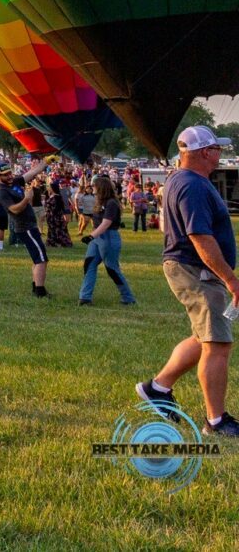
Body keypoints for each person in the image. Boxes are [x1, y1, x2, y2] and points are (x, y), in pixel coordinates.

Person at [137, 126, 239, 436]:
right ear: (205, 152)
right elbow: (199, 236)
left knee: (205, 337)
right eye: (216, 149)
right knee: (218, 343)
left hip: (189, 267)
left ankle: (157, 387)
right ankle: (216, 421)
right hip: (196, 269)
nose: (220, 154)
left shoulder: (181, 180)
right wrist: (231, 280)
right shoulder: (193, 185)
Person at [0, 163, 49, 297]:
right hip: (25, 227)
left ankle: (37, 288)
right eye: (5, 175)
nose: (9, 176)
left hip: (31, 226)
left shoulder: (15, 182)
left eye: (10, 173)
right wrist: (27, 199)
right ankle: (40, 292)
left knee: (38, 258)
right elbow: (14, 209)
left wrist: (46, 162)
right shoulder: (2, 191)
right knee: (41, 259)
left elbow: (32, 172)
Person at [79, 174, 134, 306]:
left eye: (94, 186)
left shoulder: (111, 203)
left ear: (102, 188)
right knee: (89, 265)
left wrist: (91, 236)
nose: (92, 188)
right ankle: (85, 298)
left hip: (108, 238)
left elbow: (106, 223)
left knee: (112, 269)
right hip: (98, 237)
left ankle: (128, 298)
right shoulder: (100, 202)